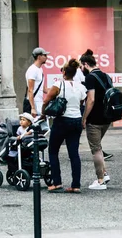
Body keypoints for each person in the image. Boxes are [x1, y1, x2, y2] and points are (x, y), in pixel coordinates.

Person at [42, 59, 87, 193]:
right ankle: (76, 185)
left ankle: (57, 182)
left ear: (64, 72)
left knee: (53, 150)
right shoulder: (80, 86)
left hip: (62, 120)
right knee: (74, 153)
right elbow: (81, 102)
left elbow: (46, 100)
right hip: (76, 120)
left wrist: (43, 113)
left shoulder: (58, 85)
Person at [80, 49, 113, 190]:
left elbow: (91, 99)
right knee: (98, 146)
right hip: (107, 117)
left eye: (81, 66)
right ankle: (104, 174)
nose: (81, 69)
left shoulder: (90, 78)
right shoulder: (106, 76)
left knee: (96, 150)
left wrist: (84, 118)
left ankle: (100, 180)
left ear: (86, 64)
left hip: (94, 118)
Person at [25, 47, 49, 117]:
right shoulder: (32, 70)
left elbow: (44, 89)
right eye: (44, 55)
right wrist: (33, 108)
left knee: (44, 126)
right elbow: (30, 90)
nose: (46, 57)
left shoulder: (40, 69)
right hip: (34, 103)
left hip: (39, 102)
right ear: (39, 57)